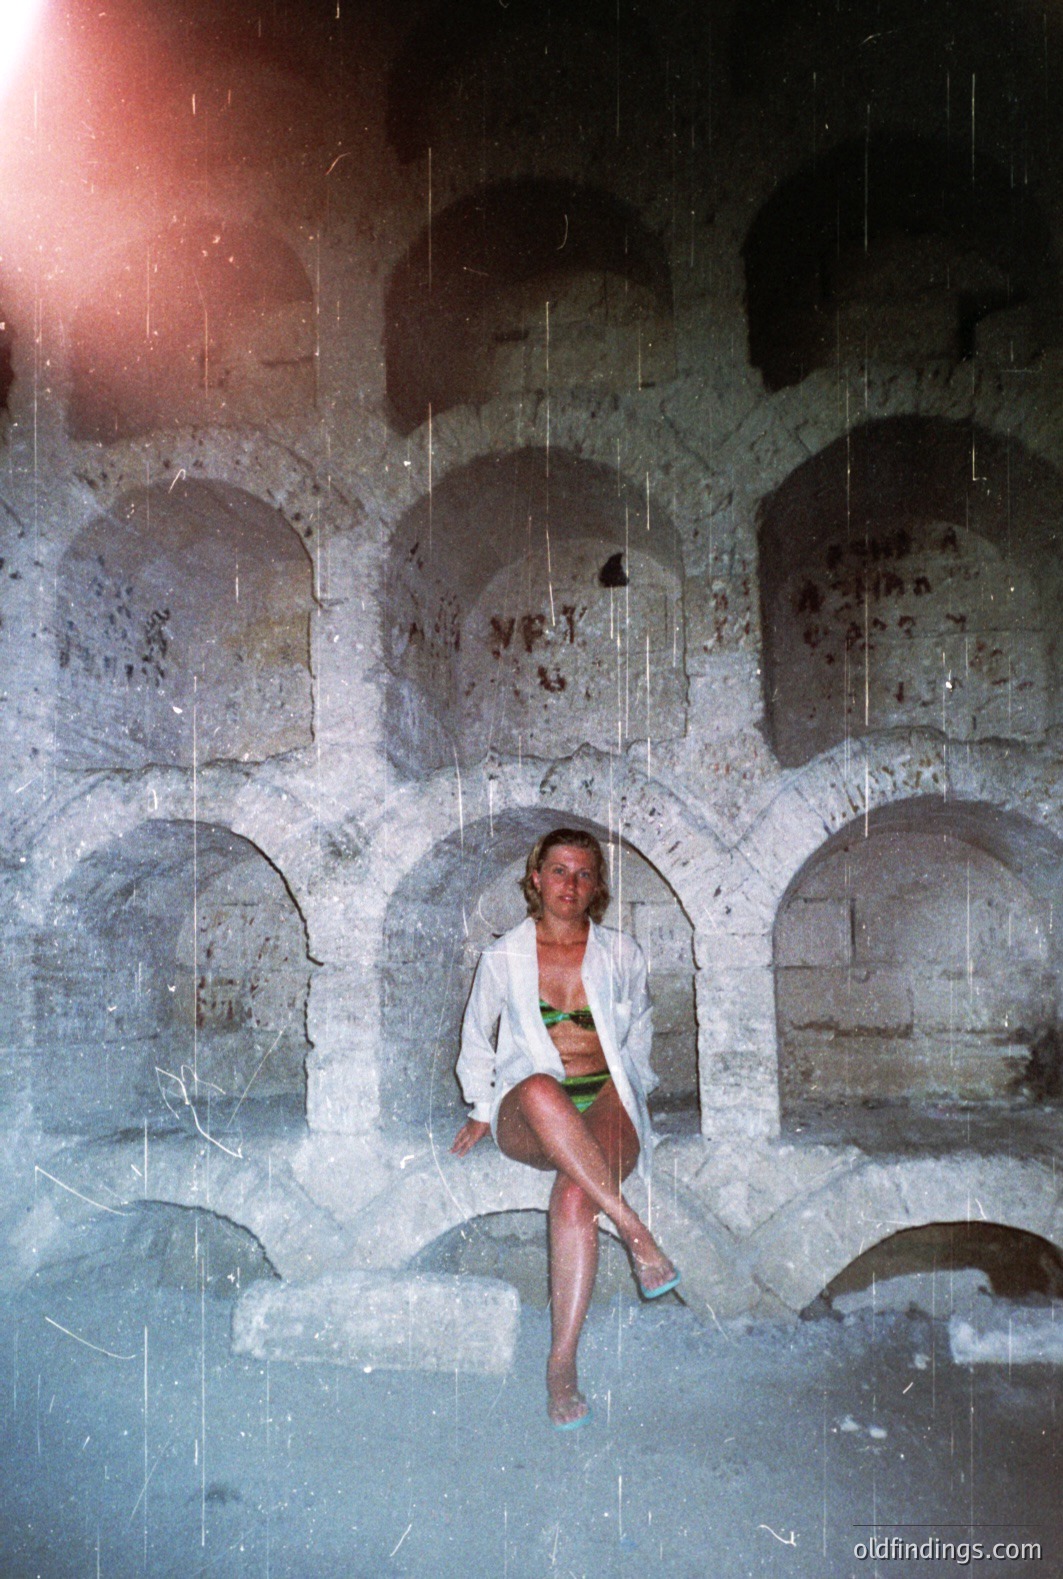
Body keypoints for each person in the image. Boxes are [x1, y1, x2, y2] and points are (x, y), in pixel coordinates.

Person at [451, 828, 680, 1429]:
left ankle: (561, 1366)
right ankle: (633, 1228)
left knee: (577, 1195)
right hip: (530, 1109)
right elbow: (476, 1036)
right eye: (558, 871)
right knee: (537, 1086)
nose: (570, 885)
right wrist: (480, 1108)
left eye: (583, 874)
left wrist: (632, 1090)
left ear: (596, 884)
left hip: (604, 1096)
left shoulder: (622, 953)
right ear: (536, 878)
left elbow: (640, 1031)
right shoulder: (504, 955)